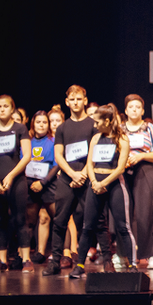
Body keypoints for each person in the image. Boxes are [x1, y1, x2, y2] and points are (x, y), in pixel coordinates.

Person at [67, 104, 136, 278]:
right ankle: (80, 265)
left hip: (113, 184)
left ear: (107, 121)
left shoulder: (122, 139)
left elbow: (120, 168)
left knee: (123, 226)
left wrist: (103, 183)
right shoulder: (96, 138)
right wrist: (94, 182)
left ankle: (132, 265)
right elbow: (89, 163)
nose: (95, 125)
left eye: (97, 121)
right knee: (88, 226)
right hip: (95, 184)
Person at [44, 86, 97, 276]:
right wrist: (72, 174)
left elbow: (94, 151)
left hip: (87, 177)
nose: (75, 102)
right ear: (67, 102)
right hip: (67, 179)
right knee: (60, 221)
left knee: (92, 220)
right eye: (72, 99)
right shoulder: (62, 128)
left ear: (85, 100)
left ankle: (83, 262)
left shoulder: (93, 124)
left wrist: (83, 173)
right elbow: (59, 155)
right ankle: (55, 261)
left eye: (79, 99)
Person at [0, 95, 32, 273]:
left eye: (5, 106)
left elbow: (26, 156)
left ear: (12, 109)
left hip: (16, 181)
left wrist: (10, 176)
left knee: (20, 219)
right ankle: (2, 261)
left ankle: (26, 260)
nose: (2, 109)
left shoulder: (20, 128)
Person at [122, 96, 153, 268]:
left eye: (138, 107)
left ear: (142, 111)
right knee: (125, 212)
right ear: (125, 110)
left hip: (145, 169)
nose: (134, 109)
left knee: (145, 213)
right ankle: (125, 254)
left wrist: (142, 156)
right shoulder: (120, 129)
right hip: (124, 170)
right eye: (131, 107)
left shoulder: (150, 128)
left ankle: (150, 254)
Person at [23, 111, 59, 266]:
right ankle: (24, 256)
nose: (42, 125)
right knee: (29, 221)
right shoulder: (27, 141)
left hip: (48, 184)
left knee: (58, 219)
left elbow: (56, 165)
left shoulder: (53, 141)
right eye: (38, 122)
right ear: (33, 124)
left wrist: (43, 183)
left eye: (45, 122)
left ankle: (60, 255)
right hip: (30, 184)